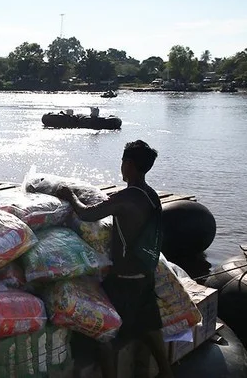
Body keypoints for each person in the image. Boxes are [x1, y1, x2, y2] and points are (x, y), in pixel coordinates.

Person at [56, 140, 171, 378]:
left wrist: (70, 196)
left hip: (124, 281)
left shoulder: (127, 197)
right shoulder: (150, 195)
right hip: (145, 276)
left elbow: (87, 214)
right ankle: (166, 371)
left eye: (123, 162)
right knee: (150, 326)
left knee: (103, 329)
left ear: (128, 164)